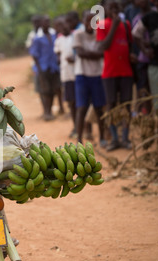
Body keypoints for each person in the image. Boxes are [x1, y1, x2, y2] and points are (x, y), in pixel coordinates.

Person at [97, 0, 135, 151]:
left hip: (126, 71)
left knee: (126, 105)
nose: (114, 9)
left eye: (116, 7)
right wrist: (113, 25)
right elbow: (103, 45)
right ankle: (114, 138)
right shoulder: (101, 24)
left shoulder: (126, 24)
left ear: (121, 8)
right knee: (111, 104)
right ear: (105, 9)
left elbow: (130, 45)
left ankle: (125, 137)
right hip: (110, 72)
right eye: (110, 7)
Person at [73, 11, 108, 147]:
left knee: (99, 107)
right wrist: (96, 54)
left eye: (93, 21)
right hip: (82, 75)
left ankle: (103, 138)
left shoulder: (99, 34)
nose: (90, 24)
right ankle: (79, 140)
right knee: (81, 108)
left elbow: (102, 53)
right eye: (88, 21)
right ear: (83, 22)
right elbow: (81, 53)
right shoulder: (78, 34)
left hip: (97, 74)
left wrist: (93, 54)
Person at [132, 0, 158, 112]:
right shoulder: (149, 17)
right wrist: (145, 50)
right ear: (154, 3)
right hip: (156, 65)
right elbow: (136, 34)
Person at [30, 15, 61, 121]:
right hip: (43, 68)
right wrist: (39, 70)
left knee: (52, 90)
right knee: (45, 90)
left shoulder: (53, 35)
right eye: (45, 22)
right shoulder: (37, 38)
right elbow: (34, 55)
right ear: (41, 24)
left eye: (48, 21)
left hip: (53, 67)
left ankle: (50, 112)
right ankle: (46, 112)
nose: (47, 24)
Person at [54, 16, 77, 137]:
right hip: (66, 75)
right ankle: (75, 127)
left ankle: (86, 129)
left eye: (64, 24)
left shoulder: (76, 36)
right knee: (72, 103)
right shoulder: (59, 40)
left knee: (81, 103)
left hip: (78, 74)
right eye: (59, 26)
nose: (63, 28)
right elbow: (58, 55)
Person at [131, 0, 154, 115]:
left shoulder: (157, 13)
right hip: (144, 60)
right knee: (144, 89)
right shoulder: (136, 19)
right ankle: (147, 116)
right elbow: (135, 37)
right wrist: (145, 49)